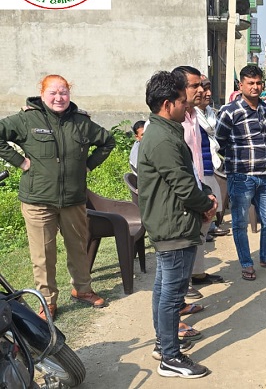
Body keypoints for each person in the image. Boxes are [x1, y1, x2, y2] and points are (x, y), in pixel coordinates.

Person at [0, 74, 115, 320]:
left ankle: (82, 290)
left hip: (73, 200)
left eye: (63, 92)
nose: (59, 97)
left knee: (78, 248)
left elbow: (108, 142)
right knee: (43, 255)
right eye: (53, 93)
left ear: (69, 93)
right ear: (42, 94)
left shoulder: (81, 122)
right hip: (38, 200)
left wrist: (88, 165)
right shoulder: (26, 119)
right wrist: (19, 161)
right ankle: (48, 302)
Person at [138, 70, 217, 379]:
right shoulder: (161, 138)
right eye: (183, 101)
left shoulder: (166, 131)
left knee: (164, 288)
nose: (188, 106)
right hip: (173, 223)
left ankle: (164, 344)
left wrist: (205, 195)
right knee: (172, 294)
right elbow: (183, 185)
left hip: (173, 219)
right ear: (168, 104)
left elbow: (188, 177)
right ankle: (170, 357)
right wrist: (207, 204)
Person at [215, 65, 266, 281]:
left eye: (258, 83)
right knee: (240, 223)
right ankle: (246, 264)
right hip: (240, 176)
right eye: (250, 83)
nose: (255, 87)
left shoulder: (265, 109)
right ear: (241, 85)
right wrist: (235, 160)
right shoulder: (230, 111)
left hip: (263, 175)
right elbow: (218, 142)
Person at [172, 66, 224, 290]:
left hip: (201, 179)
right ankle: (184, 287)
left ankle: (197, 274)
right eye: (195, 86)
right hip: (184, 187)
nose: (201, 90)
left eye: (202, 85)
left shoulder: (195, 115)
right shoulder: (174, 118)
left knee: (201, 229)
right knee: (185, 238)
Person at [196, 77, 230, 239]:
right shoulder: (189, 116)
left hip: (209, 163)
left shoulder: (210, 114)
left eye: (209, 89)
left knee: (211, 198)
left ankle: (207, 228)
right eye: (204, 89)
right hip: (198, 166)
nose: (208, 93)